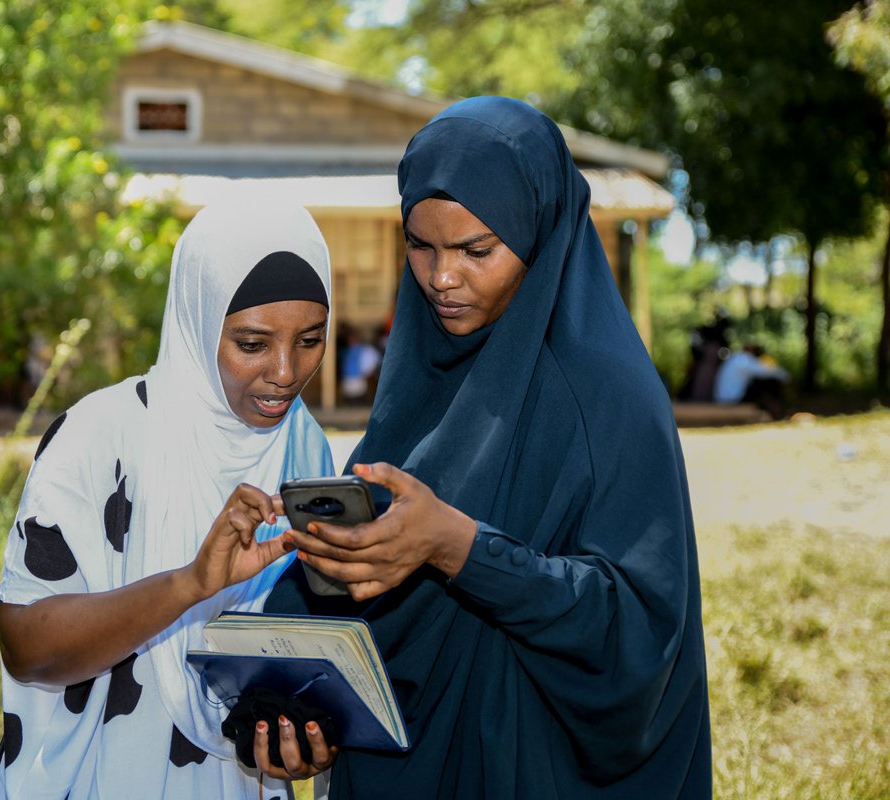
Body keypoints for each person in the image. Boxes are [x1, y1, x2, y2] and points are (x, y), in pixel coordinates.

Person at [262, 97, 712, 798]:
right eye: (421, 245)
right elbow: (365, 583)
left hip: (533, 768)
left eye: (477, 251)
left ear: (540, 236)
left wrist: (463, 549)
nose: (442, 279)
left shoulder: (610, 395)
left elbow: (640, 633)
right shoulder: (421, 376)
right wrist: (284, 685)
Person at [0, 200, 338, 799]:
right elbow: (28, 646)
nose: (285, 371)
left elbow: (309, 643)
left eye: (310, 339)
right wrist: (189, 585)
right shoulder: (103, 436)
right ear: (196, 320)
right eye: (252, 343)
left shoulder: (303, 450)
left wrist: (302, 737)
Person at [713, 342, 791, 419]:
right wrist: (787, 378)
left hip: (722, 398)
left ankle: (773, 411)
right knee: (766, 385)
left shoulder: (735, 358)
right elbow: (769, 371)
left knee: (759, 383)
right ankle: (775, 413)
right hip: (732, 399)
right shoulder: (745, 360)